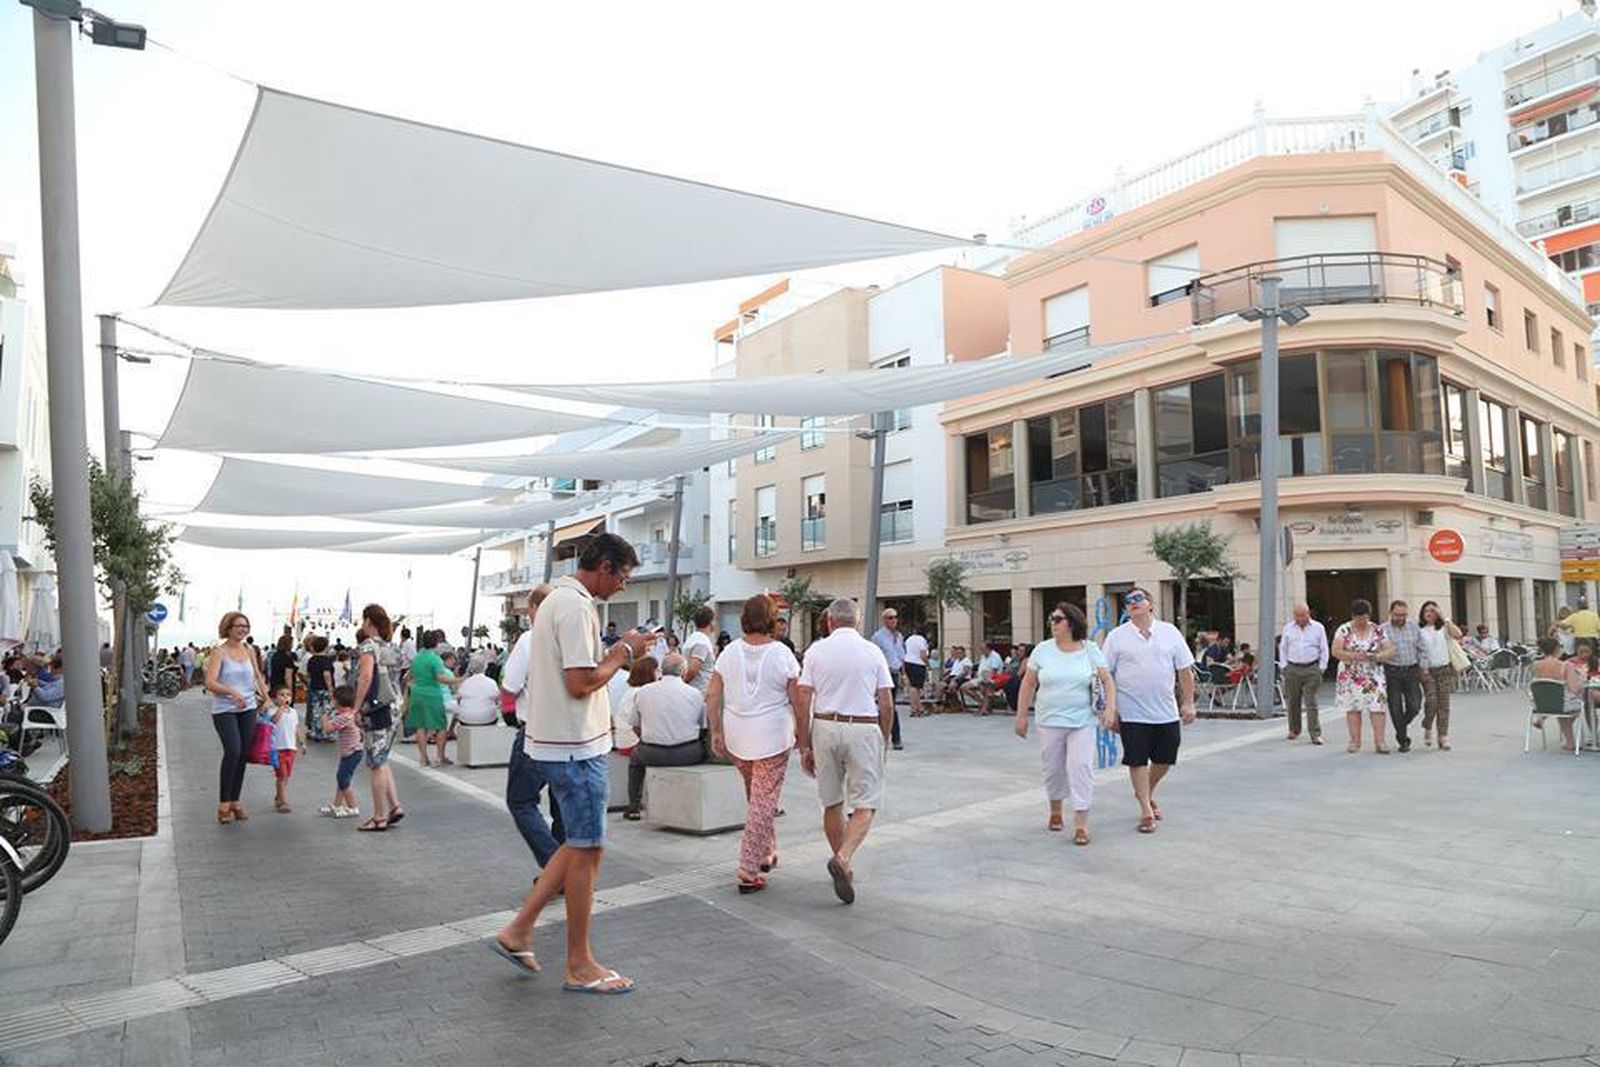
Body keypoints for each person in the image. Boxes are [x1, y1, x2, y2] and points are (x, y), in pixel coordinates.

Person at [490, 534, 653, 993]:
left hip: (555, 742)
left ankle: (520, 929)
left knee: (577, 844)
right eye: (622, 576)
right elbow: (582, 681)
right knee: (587, 849)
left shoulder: (555, 602)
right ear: (603, 566)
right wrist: (623, 653)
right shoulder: (577, 607)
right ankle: (578, 964)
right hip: (575, 745)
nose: (622, 585)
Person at [798, 597, 893, 905]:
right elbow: (887, 701)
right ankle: (843, 856)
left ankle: (843, 863)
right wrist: (885, 738)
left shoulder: (815, 651)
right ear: (857, 620)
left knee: (832, 802)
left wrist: (804, 742)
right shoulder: (872, 650)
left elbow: (802, 697)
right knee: (866, 802)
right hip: (863, 726)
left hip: (825, 725)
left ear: (828, 621)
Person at [708, 594, 804, 894]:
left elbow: (712, 695)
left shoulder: (728, 652)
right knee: (763, 802)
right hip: (773, 736)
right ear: (771, 619)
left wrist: (716, 731)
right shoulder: (782, 653)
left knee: (758, 797)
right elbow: (797, 698)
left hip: (737, 735)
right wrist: (805, 732)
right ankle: (748, 869)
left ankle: (766, 852)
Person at [1015, 603, 1117, 845]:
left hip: (1083, 720)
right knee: (1053, 768)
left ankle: (1081, 823)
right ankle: (1056, 810)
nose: (1052, 622)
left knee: (1080, 767)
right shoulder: (1042, 650)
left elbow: (1107, 680)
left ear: (1070, 623)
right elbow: (1028, 683)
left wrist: (1110, 708)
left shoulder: (1090, 649)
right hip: (1049, 719)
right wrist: (1021, 715)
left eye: (1057, 619)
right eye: (1051, 618)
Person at [1102, 588, 1194, 834]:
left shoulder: (1169, 632)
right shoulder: (1116, 637)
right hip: (1131, 712)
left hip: (1165, 710)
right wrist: (1109, 708)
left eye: (1138, 598)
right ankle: (1145, 809)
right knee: (1137, 759)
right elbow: (1104, 674)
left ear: (1150, 604)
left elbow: (1185, 670)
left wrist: (1188, 702)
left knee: (1165, 759)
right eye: (1128, 601)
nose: (1133, 603)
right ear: (1125, 609)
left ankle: (1147, 792)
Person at [616, 653, 707, 819]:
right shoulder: (695, 694)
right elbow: (702, 727)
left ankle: (634, 806)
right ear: (684, 671)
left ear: (661, 670)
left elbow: (635, 725)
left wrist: (648, 738)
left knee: (635, 762)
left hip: (652, 753)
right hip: (687, 753)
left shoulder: (644, 692)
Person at [203, 611, 270, 825]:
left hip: (248, 708)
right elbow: (210, 683)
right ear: (228, 628)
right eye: (238, 626)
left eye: (246, 626)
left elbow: (257, 676)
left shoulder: (249, 650)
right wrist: (232, 692)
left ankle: (235, 801)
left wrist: (267, 699)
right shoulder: (219, 652)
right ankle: (223, 803)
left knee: (242, 754)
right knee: (232, 751)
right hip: (225, 709)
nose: (243, 629)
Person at [353, 603, 405, 832]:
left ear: (367, 622)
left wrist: (356, 708)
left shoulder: (368, 646)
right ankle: (394, 807)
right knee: (382, 759)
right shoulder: (389, 646)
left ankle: (379, 816)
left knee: (375, 763)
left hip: (376, 709)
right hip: (393, 706)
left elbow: (365, 677)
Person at [1334, 599, 1394, 754]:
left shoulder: (1377, 630)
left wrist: (1377, 656)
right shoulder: (1344, 630)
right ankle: (1355, 741)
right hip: (1350, 675)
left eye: (1365, 618)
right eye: (1358, 618)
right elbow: (1336, 651)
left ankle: (1380, 742)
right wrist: (1354, 655)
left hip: (1373, 675)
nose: (1362, 621)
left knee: (1378, 707)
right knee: (1353, 707)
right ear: (1352, 616)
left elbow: (1390, 650)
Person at [406, 631, 461, 767]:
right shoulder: (435, 659)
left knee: (421, 726)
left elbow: (408, 678)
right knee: (441, 725)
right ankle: (440, 756)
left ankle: (423, 758)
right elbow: (441, 678)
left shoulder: (417, 658)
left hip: (417, 694)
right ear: (436, 643)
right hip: (432, 694)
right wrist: (458, 679)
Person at [1278, 604, 1329, 744]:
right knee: (1293, 701)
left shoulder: (1318, 628)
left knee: (1310, 701)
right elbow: (1283, 648)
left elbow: (1324, 648)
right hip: (1292, 668)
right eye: (1297, 616)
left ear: (1308, 613)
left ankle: (1315, 733)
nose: (1300, 618)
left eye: (1303, 615)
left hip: (1311, 668)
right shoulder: (1288, 628)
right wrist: (1284, 666)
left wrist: (1322, 667)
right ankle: (1294, 729)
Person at [1416, 600, 1463, 751]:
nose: (1430, 614)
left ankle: (1443, 736)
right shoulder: (1418, 630)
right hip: (1426, 670)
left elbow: (1458, 634)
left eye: (1433, 611)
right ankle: (1427, 725)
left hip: (1444, 668)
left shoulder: (1443, 627)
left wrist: (1445, 617)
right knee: (1432, 701)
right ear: (1422, 614)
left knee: (1444, 704)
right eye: (1427, 611)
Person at [1380, 599, 1424, 753]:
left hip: (1411, 670)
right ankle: (1403, 739)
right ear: (1391, 613)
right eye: (1398, 615)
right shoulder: (1382, 630)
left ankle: (1401, 726)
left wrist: (1423, 667)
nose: (1401, 618)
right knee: (1395, 707)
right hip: (1391, 672)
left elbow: (1421, 648)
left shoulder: (1413, 627)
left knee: (1415, 705)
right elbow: (1378, 651)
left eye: (1404, 615)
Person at [1532, 637, 1586, 751]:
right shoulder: (1566, 666)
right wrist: (1582, 682)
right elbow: (1574, 689)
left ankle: (1569, 741)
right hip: (1562, 704)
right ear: (1557, 649)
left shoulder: (1536, 665)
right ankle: (1571, 741)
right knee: (1579, 703)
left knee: (1560, 706)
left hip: (1541, 705)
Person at [319, 683, 362, 819]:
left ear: (338, 701)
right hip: (350, 751)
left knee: (343, 780)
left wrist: (324, 719)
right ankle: (336, 805)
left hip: (352, 752)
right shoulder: (349, 713)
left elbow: (327, 729)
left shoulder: (344, 717)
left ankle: (352, 807)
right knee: (341, 779)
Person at [868, 608, 906, 749]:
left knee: (890, 706)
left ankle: (888, 736)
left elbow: (901, 657)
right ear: (884, 620)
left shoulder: (899, 636)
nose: (893, 620)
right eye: (890, 617)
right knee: (888, 706)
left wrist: (903, 674)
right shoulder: (878, 637)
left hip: (895, 673)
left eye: (895, 617)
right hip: (883, 674)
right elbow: (873, 657)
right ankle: (894, 738)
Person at [611, 658, 658, 752]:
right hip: (632, 742)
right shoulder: (641, 692)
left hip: (624, 739)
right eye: (657, 670)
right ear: (650, 672)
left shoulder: (634, 690)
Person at [268, 686, 301, 814]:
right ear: (275, 698)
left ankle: (278, 796)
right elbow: (274, 721)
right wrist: (280, 709)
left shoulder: (293, 712)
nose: (285, 697)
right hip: (278, 748)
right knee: (282, 776)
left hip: (291, 748)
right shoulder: (273, 711)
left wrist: (302, 743)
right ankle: (283, 802)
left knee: (286, 776)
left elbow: (296, 728)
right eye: (281, 695)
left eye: (288, 695)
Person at [680, 605, 718, 697]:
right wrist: (682, 684)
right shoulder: (701, 642)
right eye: (715, 620)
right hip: (699, 693)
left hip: (693, 692)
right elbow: (693, 670)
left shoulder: (693, 638)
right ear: (710, 622)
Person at [303, 635, 335, 743]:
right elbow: (326, 674)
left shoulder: (312, 660)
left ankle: (316, 732)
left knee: (316, 710)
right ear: (325, 647)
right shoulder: (326, 660)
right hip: (324, 688)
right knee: (326, 710)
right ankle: (326, 732)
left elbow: (308, 675)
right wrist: (330, 689)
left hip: (314, 687)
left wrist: (309, 684)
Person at [453, 659, 502, 727]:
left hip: (466, 718)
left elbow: (459, 700)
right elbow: (497, 700)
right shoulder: (491, 682)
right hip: (488, 718)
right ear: (485, 667)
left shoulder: (465, 682)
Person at [903, 624, 930, 717]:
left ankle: (917, 707)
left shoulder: (908, 639)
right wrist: (927, 663)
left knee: (912, 686)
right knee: (916, 687)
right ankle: (915, 709)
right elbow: (923, 654)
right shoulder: (922, 640)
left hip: (908, 662)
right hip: (918, 664)